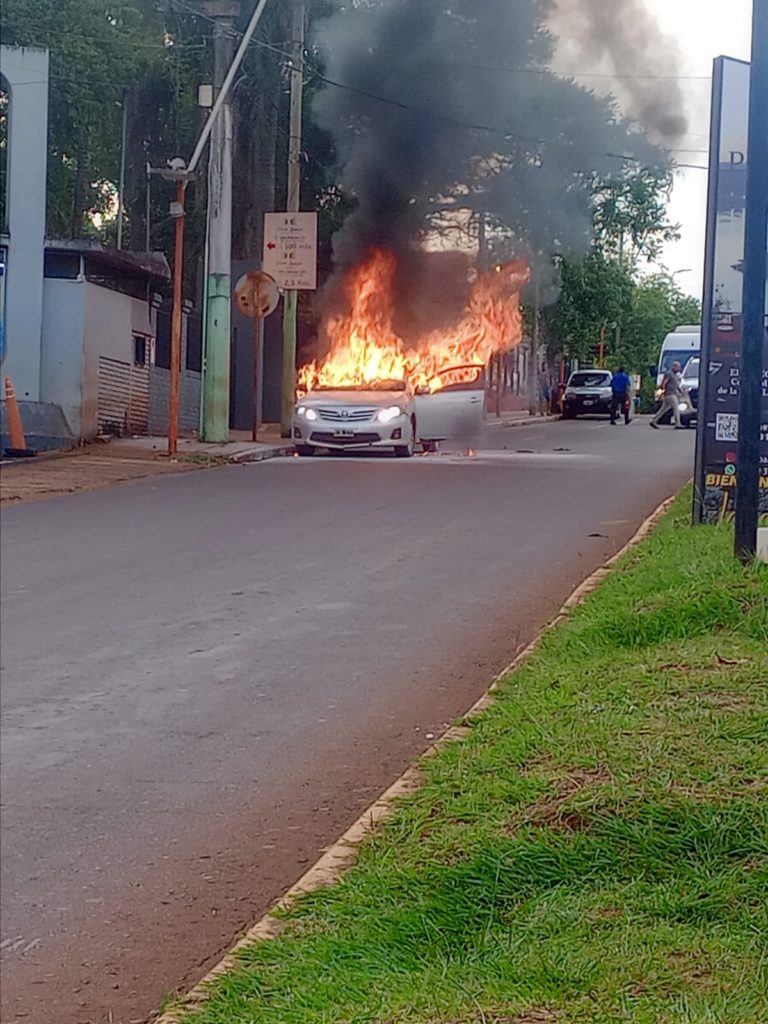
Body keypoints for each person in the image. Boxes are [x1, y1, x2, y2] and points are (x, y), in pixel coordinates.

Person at [650, 361, 683, 429]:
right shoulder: (669, 374)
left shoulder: (674, 375)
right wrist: (662, 393)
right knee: (676, 408)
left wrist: (680, 390)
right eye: (678, 367)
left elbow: (675, 384)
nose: (679, 369)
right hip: (670, 394)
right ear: (674, 367)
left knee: (663, 409)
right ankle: (677, 424)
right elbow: (664, 384)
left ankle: (654, 420)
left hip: (671, 394)